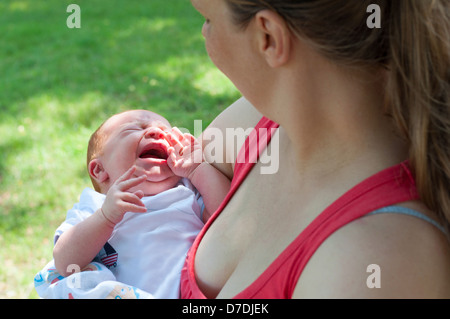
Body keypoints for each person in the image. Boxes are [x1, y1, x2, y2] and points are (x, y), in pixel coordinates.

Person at [181, 0, 450, 298]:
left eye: (207, 20)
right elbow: (171, 175)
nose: (205, 34)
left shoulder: (370, 262)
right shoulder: (259, 124)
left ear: (268, 36)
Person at [34, 109, 230, 299]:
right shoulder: (95, 206)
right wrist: (106, 217)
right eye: (134, 129)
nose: (156, 132)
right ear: (100, 170)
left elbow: (229, 217)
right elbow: (65, 263)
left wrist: (197, 169)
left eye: (166, 131)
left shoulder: (186, 190)